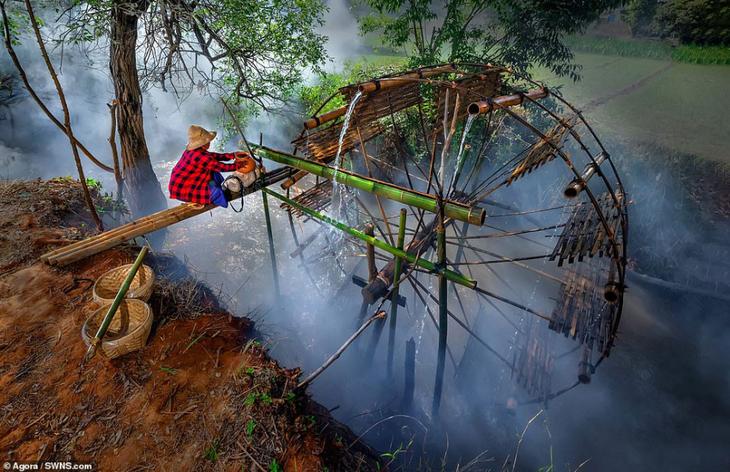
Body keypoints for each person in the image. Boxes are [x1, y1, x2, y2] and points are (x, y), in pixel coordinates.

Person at [168, 125, 256, 209]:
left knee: (213, 175)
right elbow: (221, 167)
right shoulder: (200, 156)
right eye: (207, 141)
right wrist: (239, 165)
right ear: (202, 144)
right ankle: (207, 195)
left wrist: (232, 155)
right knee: (217, 193)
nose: (209, 142)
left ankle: (211, 187)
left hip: (180, 184)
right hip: (182, 189)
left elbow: (213, 156)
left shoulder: (196, 151)